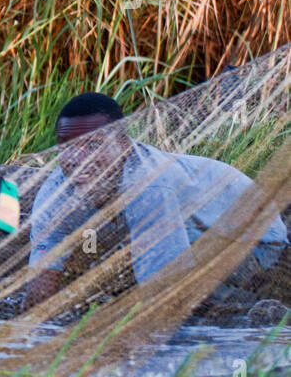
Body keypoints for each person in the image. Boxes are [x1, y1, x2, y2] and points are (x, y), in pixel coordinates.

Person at [24, 92, 288, 308]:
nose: (78, 162)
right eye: (67, 146)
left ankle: (250, 311)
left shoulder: (149, 185)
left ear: (123, 145)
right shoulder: (55, 193)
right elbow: (42, 276)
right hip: (192, 235)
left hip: (254, 239)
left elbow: (166, 292)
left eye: (93, 145)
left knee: (200, 311)